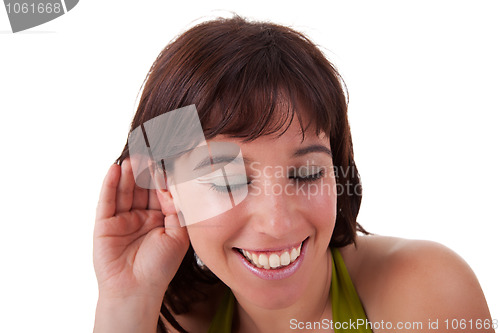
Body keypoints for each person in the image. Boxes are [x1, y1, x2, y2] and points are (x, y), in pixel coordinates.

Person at [93, 16, 494, 333]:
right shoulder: (174, 321)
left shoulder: (424, 293)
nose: (276, 222)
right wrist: (126, 302)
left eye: (304, 174)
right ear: (167, 190)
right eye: (226, 181)